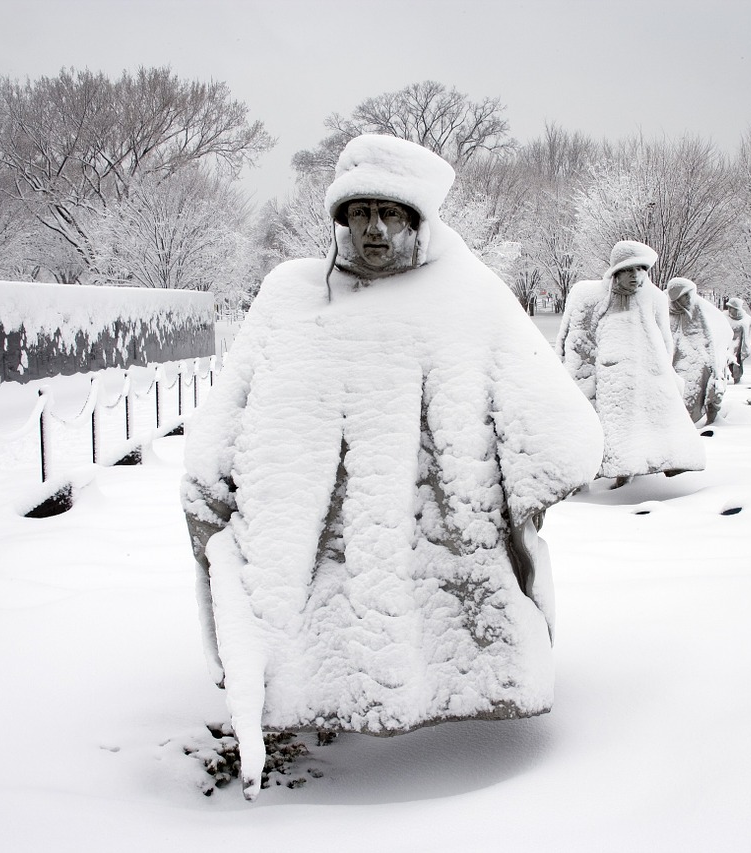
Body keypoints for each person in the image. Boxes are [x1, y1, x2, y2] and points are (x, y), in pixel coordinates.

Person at [180, 134, 603, 800]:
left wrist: (540, 468)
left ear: (418, 221)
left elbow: (549, 410)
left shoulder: (468, 293)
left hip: (433, 530)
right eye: (360, 212)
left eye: (391, 213)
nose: (375, 228)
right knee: (324, 635)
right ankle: (317, 717)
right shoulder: (290, 296)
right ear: (341, 221)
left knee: (442, 634)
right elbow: (231, 400)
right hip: (319, 532)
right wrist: (210, 474)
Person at [556, 240, 705, 486]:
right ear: (616, 271)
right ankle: (591, 483)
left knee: (639, 436)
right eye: (629, 269)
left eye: (642, 269)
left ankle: (630, 479)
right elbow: (575, 340)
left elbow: (665, 341)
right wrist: (579, 377)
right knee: (601, 435)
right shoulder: (590, 296)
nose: (636, 276)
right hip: (607, 379)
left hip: (644, 377)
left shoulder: (654, 298)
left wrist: (664, 376)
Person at [667, 277, 731, 424]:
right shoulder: (664, 310)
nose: (689, 298)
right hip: (673, 362)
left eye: (690, 294)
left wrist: (713, 364)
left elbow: (711, 337)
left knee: (695, 393)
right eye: (685, 295)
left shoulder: (700, 310)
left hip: (696, 359)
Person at [725, 297, 751, 383]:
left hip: (738, 346)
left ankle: (737, 378)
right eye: (728, 307)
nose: (729, 310)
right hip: (727, 344)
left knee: (736, 364)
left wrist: (746, 348)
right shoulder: (724, 316)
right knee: (726, 362)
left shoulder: (747, 319)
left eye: (731, 308)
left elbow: (749, 334)